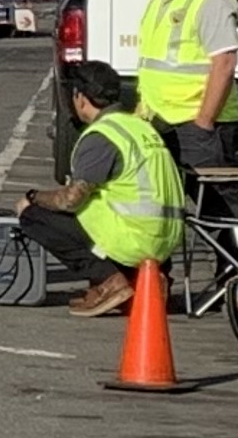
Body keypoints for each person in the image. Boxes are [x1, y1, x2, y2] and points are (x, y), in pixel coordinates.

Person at [19, 62, 186, 317]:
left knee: (34, 215)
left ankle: (109, 281)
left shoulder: (102, 136)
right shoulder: (140, 127)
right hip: (165, 240)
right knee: (98, 204)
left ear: (80, 97)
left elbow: (70, 200)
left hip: (135, 239)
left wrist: (33, 198)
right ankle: (146, 280)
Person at [132, 0, 238, 172]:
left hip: (196, 120)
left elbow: (224, 64)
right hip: (161, 119)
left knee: (216, 197)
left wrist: (204, 122)